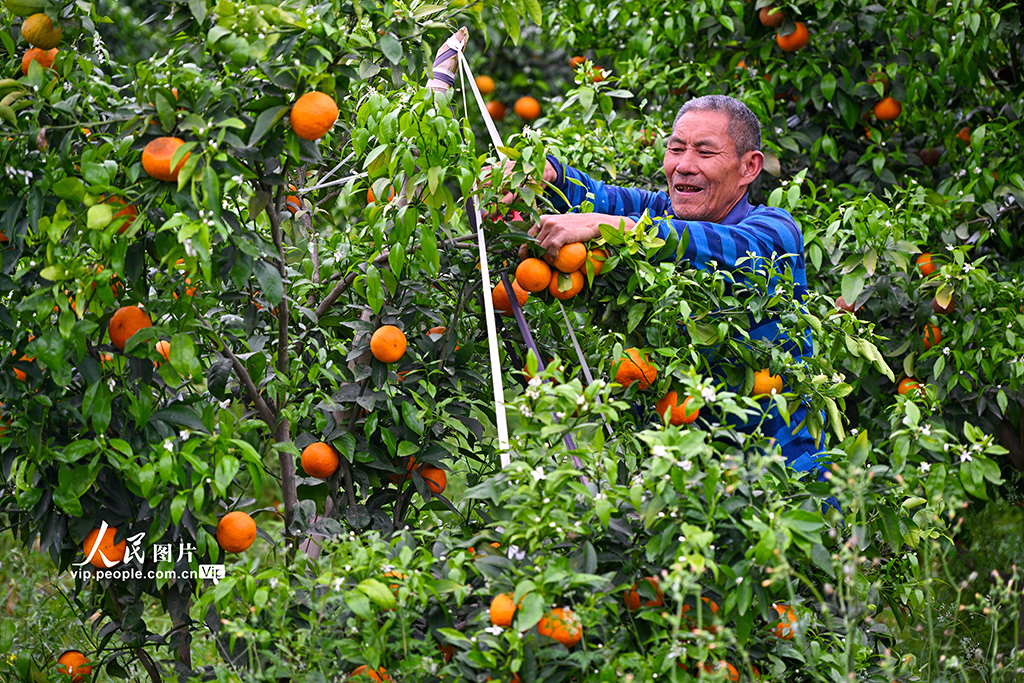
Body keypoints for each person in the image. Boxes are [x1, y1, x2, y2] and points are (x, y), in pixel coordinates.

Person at [508, 94, 833, 492]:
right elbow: (595, 196)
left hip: (780, 471)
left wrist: (615, 227)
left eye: (704, 152)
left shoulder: (774, 230)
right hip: (678, 472)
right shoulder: (661, 213)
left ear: (749, 167)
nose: (684, 165)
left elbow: (725, 247)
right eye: (676, 148)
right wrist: (544, 171)